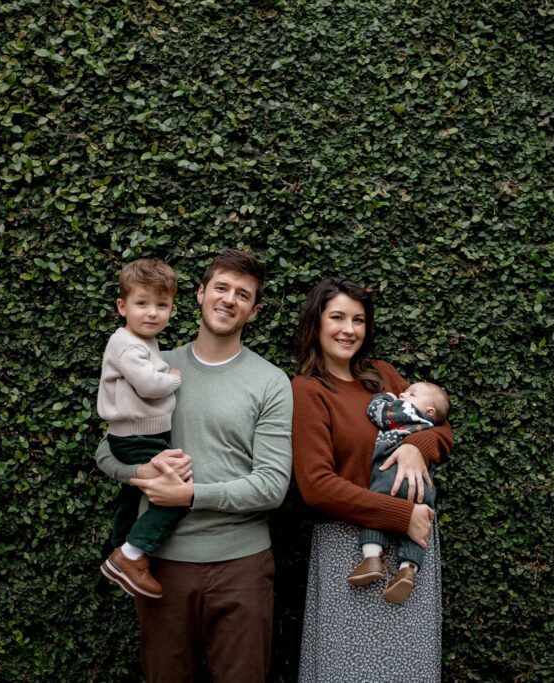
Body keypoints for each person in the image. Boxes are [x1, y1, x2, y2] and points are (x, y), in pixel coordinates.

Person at [94, 249, 293, 682]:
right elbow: (107, 451)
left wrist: (190, 495)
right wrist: (139, 474)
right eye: (220, 288)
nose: (228, 299)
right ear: (201, 294)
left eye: (243, 294)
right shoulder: (156, 366)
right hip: (161, 564)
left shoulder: (271, 382)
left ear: (254, 311)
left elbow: (272, 486)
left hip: (242, 565)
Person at [291, 277, 454, 682]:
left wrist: (420, 448)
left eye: (358, 320)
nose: (349, 329)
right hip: (349, 547)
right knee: (345, 669)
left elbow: (442, 427)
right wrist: (400, 515)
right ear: (316, 323)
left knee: (407, 668)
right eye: (338, 318)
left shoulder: (382, 376)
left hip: (406, 554)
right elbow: (315, 485)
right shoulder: (307, 391)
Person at [97, 258, 184, 599]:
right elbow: (148, 385)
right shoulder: (128, 343)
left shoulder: (142, 341)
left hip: (140, 434)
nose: (152, 313)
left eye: (161, 305)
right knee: (176, 494)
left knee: (133, 497)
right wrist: (174, 378)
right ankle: (130, 556)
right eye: (142, 303)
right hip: (137, 436)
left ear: (172, 308)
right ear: (122, 306)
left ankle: (118, 548)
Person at [347, 382, 450, 605]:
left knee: (379, 509)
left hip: (391, 476)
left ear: (429, 411)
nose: (403, 394)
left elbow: (379, 414)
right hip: (423, 484)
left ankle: (372, 558)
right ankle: (407, 570)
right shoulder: (429, 423)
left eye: (411, 394)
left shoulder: (406, 412)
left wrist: (384, 397)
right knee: (418, 525)